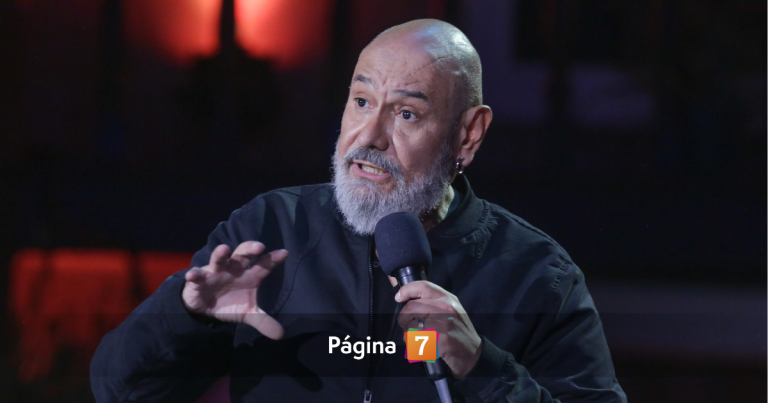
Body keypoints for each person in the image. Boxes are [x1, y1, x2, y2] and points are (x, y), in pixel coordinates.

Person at [91, 19, 626, 403]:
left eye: (407, 113)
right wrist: (186, 315)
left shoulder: (537, 274)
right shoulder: (269, 230)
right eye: (362, 101)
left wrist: (481, 366)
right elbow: (118, 390)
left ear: (468, 134)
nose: (368, 137)